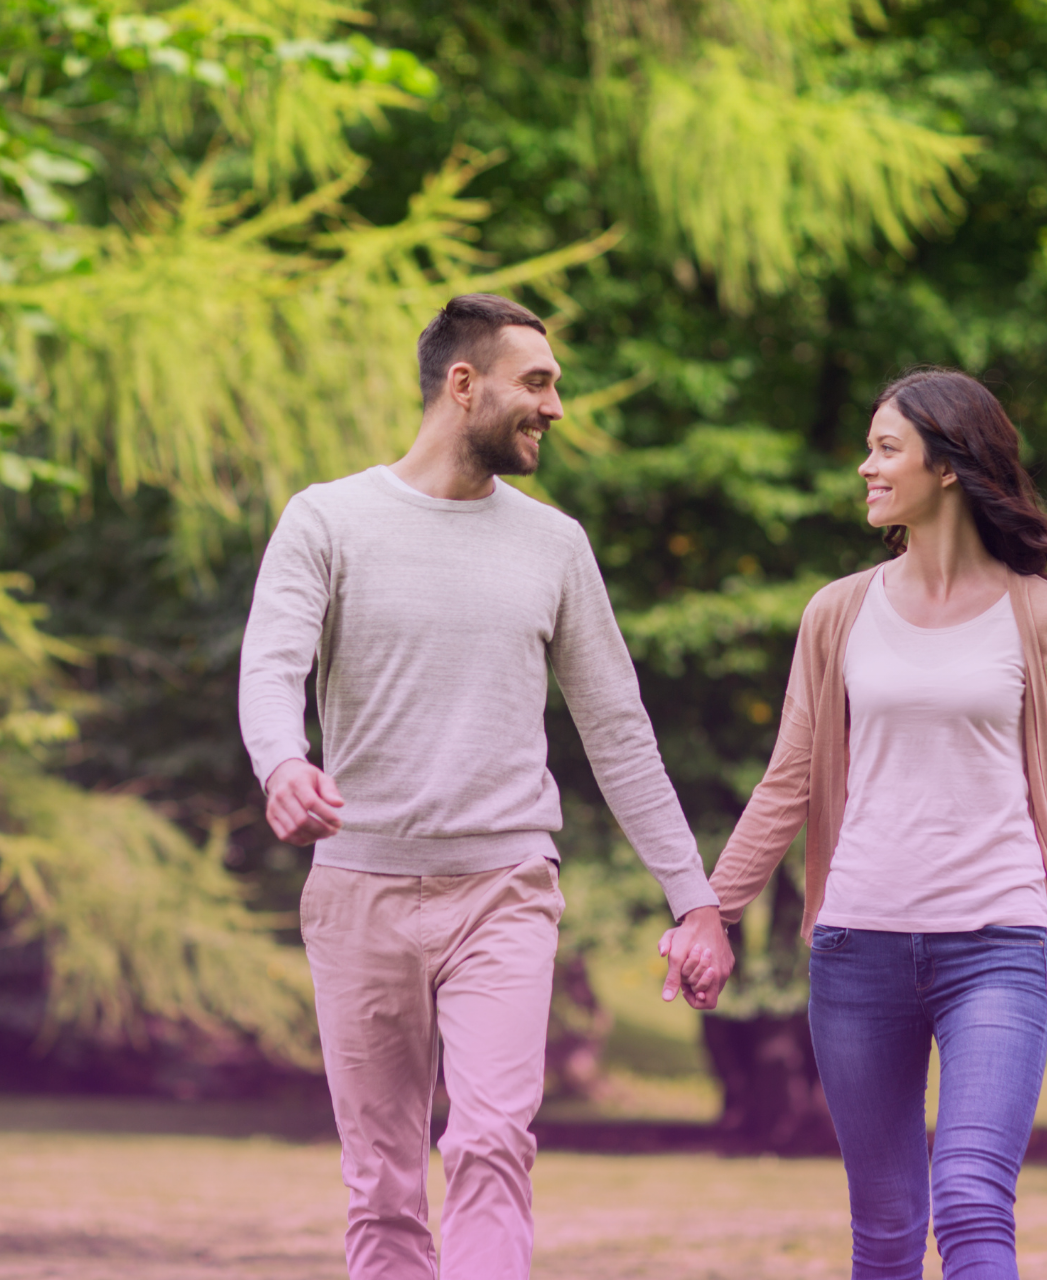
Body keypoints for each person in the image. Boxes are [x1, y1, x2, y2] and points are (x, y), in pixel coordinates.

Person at [238, 293, 734, 1280]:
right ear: (463, 384)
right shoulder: (327, 518)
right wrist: (282, 760)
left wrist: (696, 897)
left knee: (493, 1141)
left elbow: (619, 733)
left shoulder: (555, 546)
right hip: (359, 891)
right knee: (382, 1184)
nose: (554, 406)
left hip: (504, 889)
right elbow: (271, 664)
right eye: (537, 382)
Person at [703, 368, 1047, 1280]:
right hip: (858, 945)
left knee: (976, 1200)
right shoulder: (837, 613)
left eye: (885, 448)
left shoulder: (1045, 616)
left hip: (998, 941)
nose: (865, 468)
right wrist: (711, 908)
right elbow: (789, 780)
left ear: (948, 465)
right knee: (889, 1232)